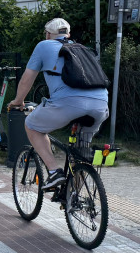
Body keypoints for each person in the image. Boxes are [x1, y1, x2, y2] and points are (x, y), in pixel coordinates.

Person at [7, 18, 109, 189]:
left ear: (48, 34)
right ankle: (74, 197)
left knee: (32, 126)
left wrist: (18, 101)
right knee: (81, 151)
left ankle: (54, 172)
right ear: (68, 34)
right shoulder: (82, 49)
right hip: (100, 104)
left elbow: (27, 79)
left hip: (68, 103)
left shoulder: (43, 46)